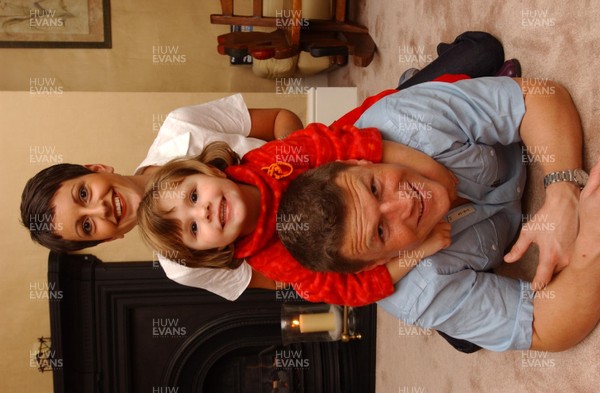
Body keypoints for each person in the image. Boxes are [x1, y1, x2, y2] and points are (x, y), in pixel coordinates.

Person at [21, 31, 512, 300]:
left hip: (342, 156)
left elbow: (280, 118)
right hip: (355, 239)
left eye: (83, 194)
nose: (102, 210)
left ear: (93, 168)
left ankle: (435, 82)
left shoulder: (182, 128)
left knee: (481, 52)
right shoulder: (182, 267)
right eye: (88, 227)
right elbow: (288, 279)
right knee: (462, 256)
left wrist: (304, 165)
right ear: (104, 240)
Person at [276, 76, 592, 351]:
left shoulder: (405, 120)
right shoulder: (416, 292)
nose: (404, 203)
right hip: (446, 277)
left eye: (374, 188)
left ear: (361, 162)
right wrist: (591, 245)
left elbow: (539, 96)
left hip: (444, 116)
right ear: (375, 265)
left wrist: (563, 191)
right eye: (381, 231)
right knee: (467, 337)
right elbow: (542, 328)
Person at [137, 124, 455, 306]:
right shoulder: (276, 263)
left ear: (207, 171)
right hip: (386, 240)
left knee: (393, 116)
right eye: (194, 228)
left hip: (378, 173)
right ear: (211, 252)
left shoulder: (268, 159)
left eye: (194, 195)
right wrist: (419, 249)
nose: (203, 211)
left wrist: (432, 173)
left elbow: (350, 145)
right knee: (417, 299)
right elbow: (352, 290)